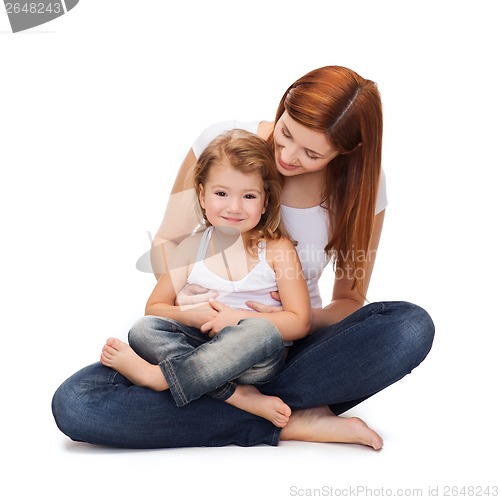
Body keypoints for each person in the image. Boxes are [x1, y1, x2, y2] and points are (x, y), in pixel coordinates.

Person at [52, 65, 434, 450]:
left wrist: (276, 321)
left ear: (345, 151)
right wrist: (192, 308)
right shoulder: (222, 146)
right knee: (77, 403)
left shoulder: (362, 188)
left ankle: (195, 392)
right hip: (197, 341)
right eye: (286, 133)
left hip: (287, 349)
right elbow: (169, 245)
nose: (286, 155)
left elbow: (349, 301)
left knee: (409, 326)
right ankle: (286, 418)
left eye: (312, 153)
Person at [100, 129, 313, 429]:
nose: (234, 207)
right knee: (143, 330)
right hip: (200, 347)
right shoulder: (191, 247)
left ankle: (160, 378)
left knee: (263, 333)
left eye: (249, 196)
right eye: (221, 193)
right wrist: (189, 314)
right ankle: (237, 397)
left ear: (266, 201)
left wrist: (237, 319)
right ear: (202, 194)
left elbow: (300, 321)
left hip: (253, 359)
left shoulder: (277, 249)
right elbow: (155, 307)